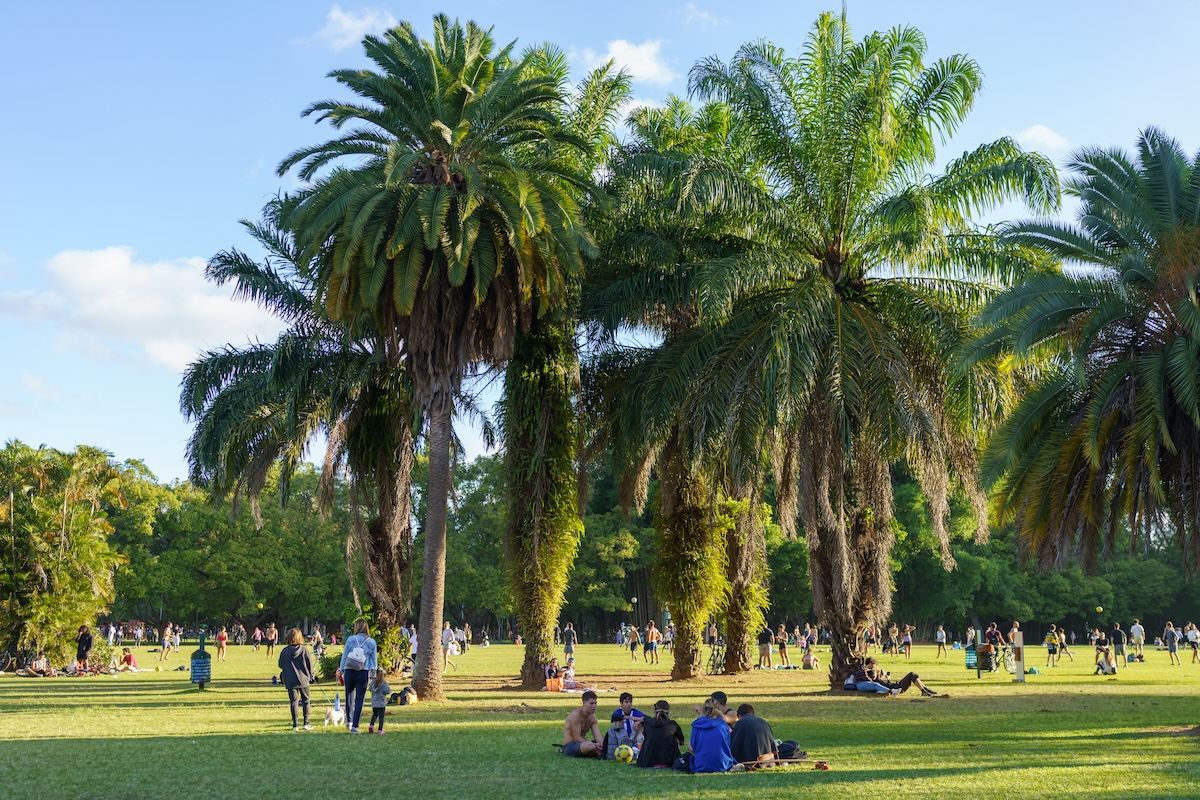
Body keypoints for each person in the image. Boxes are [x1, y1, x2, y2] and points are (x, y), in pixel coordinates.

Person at [337, 618, 378, 733]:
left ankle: (349, 721)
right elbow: (373, 660)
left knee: (349, 696)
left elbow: (345, 655)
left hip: (350, 670)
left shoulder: (351, 639)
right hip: (363, 671)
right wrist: (373, 674)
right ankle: (355, 725)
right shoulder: (371, 642)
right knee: (359, 698)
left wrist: (341, 670)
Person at [690, 698, 742, 773]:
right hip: (722, 764)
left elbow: (692, 747)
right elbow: (727, 745)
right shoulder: (724, 725)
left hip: (701, 765)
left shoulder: (697, 725)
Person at [279, 627, 316, 731]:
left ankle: (295, 724)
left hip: (290, 680)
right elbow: (310, 665)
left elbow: (280, 664)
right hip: (303, 680)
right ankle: (306, 722)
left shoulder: (285, 651)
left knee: (293, 702)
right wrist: (312, 676)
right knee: (306, 701)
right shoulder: (304, 650)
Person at [853, 657, 938, 696]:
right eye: (874, 665)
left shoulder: (876, 679)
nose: (875, 667)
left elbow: (881, 682)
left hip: (894, 686)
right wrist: (876, 676)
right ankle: (924, 690)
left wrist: (886, 678)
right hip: (895, 687)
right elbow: (869, 678)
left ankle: (925, 690)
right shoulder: (873, 680)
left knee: (913, 675)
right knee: (912, 675)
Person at [637, 700, 684, 768]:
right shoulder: (673, 724)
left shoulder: (648, 724)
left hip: (648, 761)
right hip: (668, 762)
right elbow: (681, 741)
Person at [562, 691, 603, 757]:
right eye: (591, 703)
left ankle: (596, 752)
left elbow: (598, 736)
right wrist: (595, 745)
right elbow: (576, 738)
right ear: (584, 703)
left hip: (584, 744)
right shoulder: (576, 715)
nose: (594, 706)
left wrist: (602, 745)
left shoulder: (592, 718)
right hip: (571, 746)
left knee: (608, 741)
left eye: (595, 703)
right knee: (590, 746)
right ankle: (595, 752)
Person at [368, 668, 390, 734]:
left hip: (374, 702)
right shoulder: (384, 683)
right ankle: (380, 730)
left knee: (374, 714)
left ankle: (371, 725)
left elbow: (370, 689)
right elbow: (388, 691)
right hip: (381, 703)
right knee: (381, 716)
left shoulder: (373, 682)